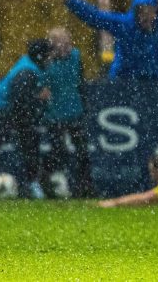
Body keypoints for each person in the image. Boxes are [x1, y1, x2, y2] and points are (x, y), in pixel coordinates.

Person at [0, 39, 52, 198]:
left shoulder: (30, 66)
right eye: (48, 55)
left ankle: (32, 184)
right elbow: (20, 100)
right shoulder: (27, 71)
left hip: (12, 111)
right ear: (41, 56)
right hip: (7, 111)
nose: (50, 59)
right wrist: (39, 97)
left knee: (18, 147)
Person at [42, 27, 94, 198]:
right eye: (60, 43)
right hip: (55, 114)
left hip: (75, 111)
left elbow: (80, 81)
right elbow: (43, 88)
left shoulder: (76, 56)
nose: (65, 46)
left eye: (67, 41)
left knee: (82, 152)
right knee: (58, 152)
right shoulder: (46, 63)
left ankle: (84, 188)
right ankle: (45, 182)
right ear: (52, 45)